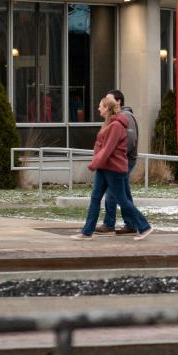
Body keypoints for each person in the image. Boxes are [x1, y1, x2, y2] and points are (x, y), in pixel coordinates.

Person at [71, 94, 153, 241]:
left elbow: (108, 149)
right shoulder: (108, 123)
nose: (98, 108)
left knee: (122, 200)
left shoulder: (116, 126)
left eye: (100, 106)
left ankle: (144, 226)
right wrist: (97, 161)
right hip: (104, 167)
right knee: (95, 198)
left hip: (114, 169)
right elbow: (101, 145)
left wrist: (94, 163)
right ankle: (87, 232)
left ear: (107, 108)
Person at [95, 89, 139, 236]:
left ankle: (109, 223)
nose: (105, 104)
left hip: (123, 161)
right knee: (123, 193)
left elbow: (130, 142)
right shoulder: (115, 118)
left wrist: (114, 157)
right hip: (119, 161)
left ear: (118, 101)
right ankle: (133, 224)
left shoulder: (126, 117)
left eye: (109, 100)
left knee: (113, 191)